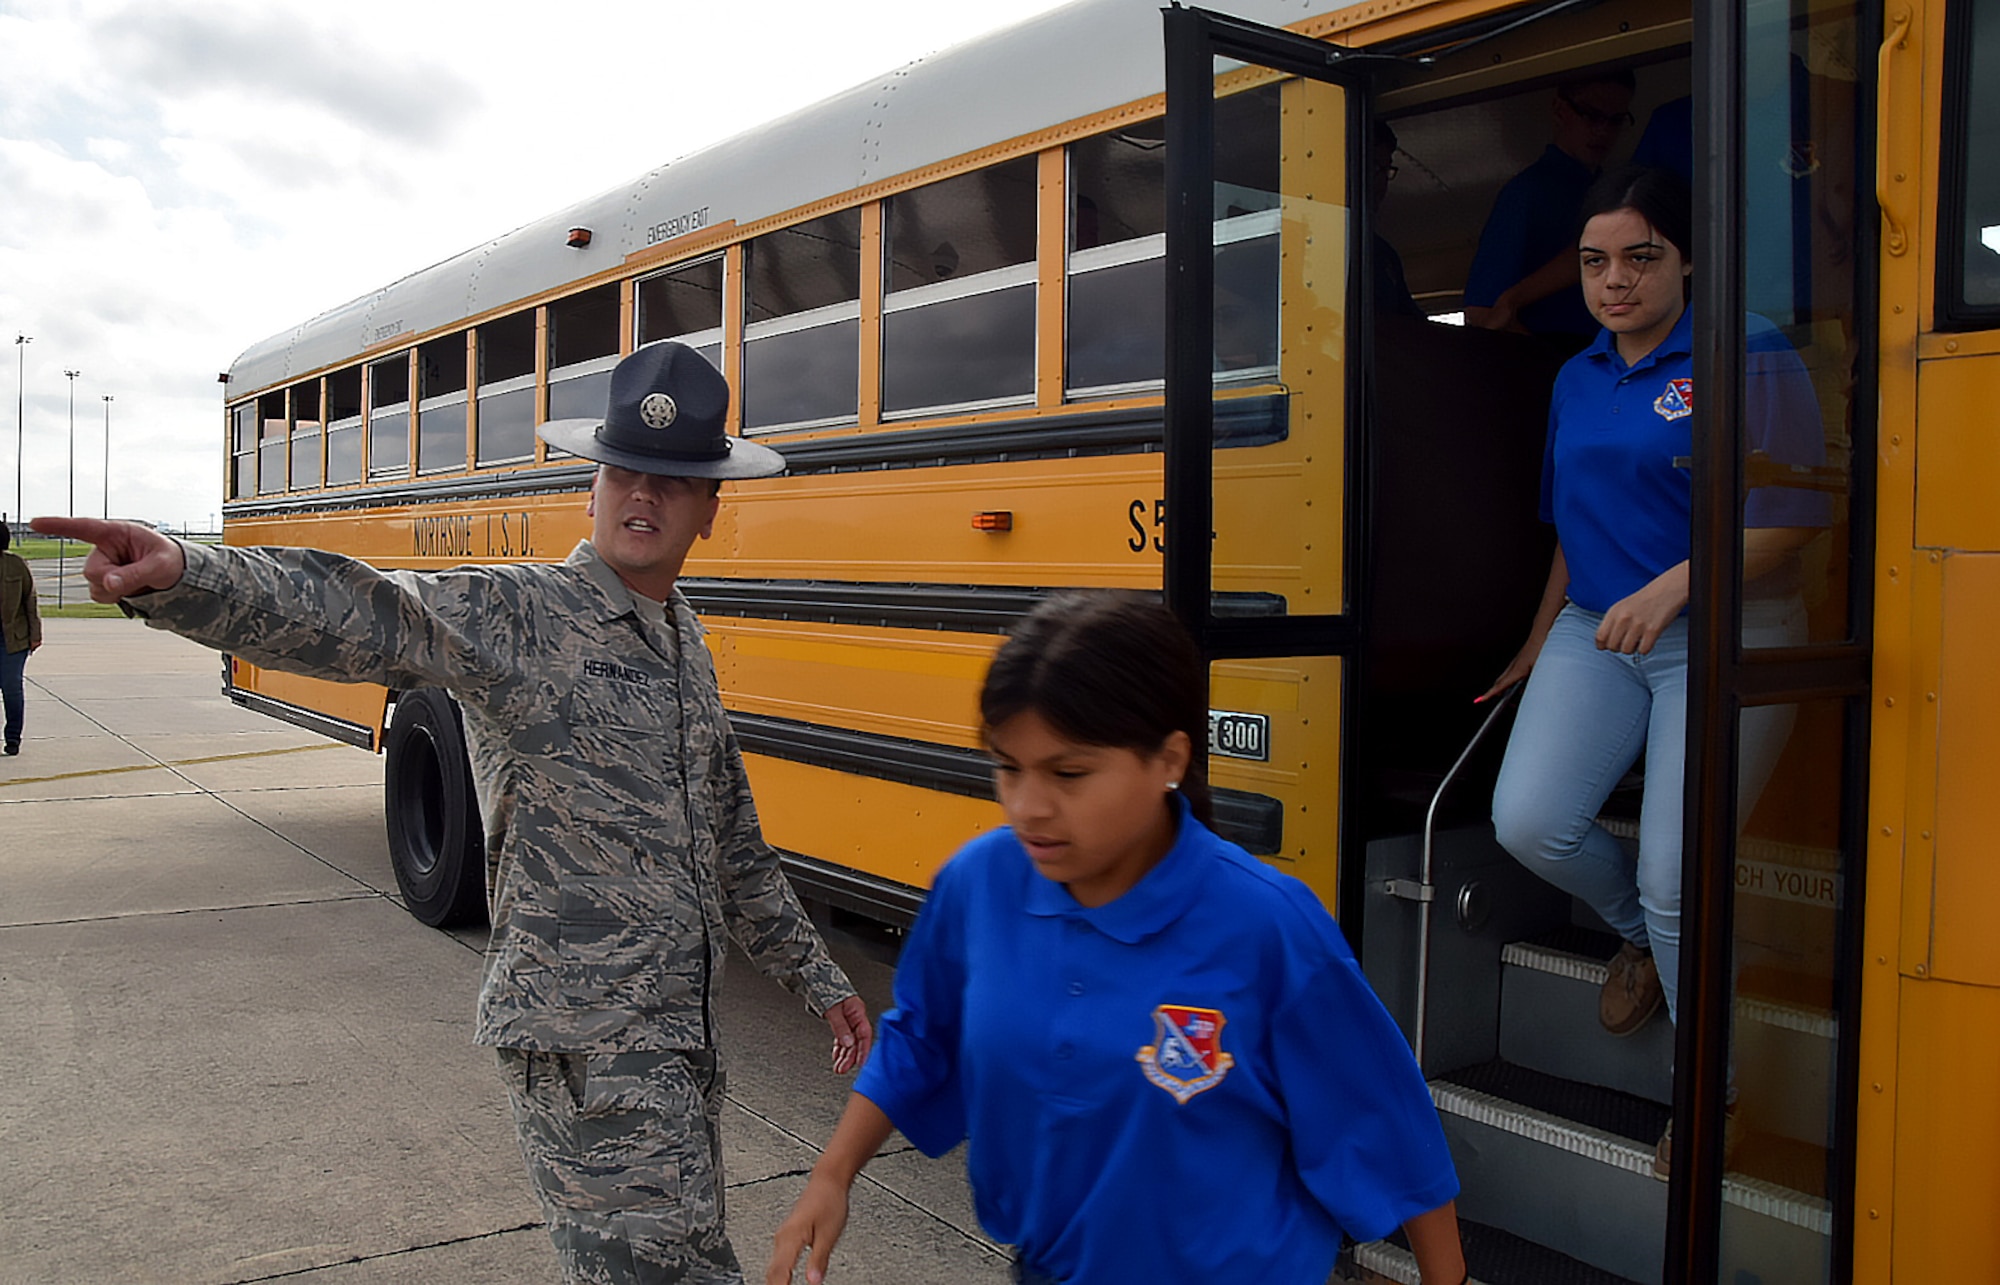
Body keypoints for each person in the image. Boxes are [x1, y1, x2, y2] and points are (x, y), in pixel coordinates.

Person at [34, 341, 874, 1284]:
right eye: (626, 472)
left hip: (676, 1041)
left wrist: (819, 979)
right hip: (584, 1044)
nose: (645, 496)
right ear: (590, 487)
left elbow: (733, 844)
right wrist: (188, 574)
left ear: (711, 508)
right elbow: (368, 611)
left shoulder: (681, 640)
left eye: (674, 483)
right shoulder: (528, 614)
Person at [767, 593, 1466, 1285]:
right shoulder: (979, 887)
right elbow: (923, 1035)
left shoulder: (1267, 926)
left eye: (1070, 773)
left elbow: (1387, 1129)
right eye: (1009, 766)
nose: (1029, 805)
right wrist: (833, 1175)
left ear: (1169, 758)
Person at [1480, 166, 1830, 1177]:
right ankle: (1637, 933)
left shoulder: (1747, 351)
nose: (1613, 282)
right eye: (1593, 263)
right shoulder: (1575, 375)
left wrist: (1676, 585)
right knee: (1526, 821)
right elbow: (1569, 534)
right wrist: (1533, 642)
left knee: (1680, 873)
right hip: (1597, 628)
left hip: (1729, 630)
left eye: (1639, 258)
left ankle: (1708, 1097)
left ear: (1685, 260)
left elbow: (1792, 522)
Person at [1463, 70, 1636, 340]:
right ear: (1559, 109)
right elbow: (1483, 312)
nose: (1602, 131)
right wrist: (1559, 367)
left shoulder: (1618, 193)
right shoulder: (1527, 193)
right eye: (1590, 115)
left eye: (1615, 121)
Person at [0, 518, 43, 755]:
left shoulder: (16, 565)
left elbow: (30, 600)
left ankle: (13, 738)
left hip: (13, 637)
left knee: (11, 686)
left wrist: (35, 634)